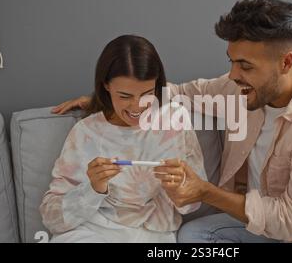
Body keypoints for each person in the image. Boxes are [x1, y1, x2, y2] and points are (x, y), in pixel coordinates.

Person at [52, 0, 292, 242]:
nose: (232, 75)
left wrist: (204, 191)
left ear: (286, 62)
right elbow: (179, 91)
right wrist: (105, 99)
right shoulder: (237, 88)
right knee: (194, 240)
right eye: (232, 61)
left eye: (246, 66)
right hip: (256, 221)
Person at [40, 35, 207, 243]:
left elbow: (194, 202)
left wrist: (178, 187)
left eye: (147, 94)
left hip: (154, 235)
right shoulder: (86, 132)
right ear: (106, 86)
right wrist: (94, 188)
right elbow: (52, 217)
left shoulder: (175, 120)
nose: (137, 107)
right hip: (91, 232)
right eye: (125, 96)